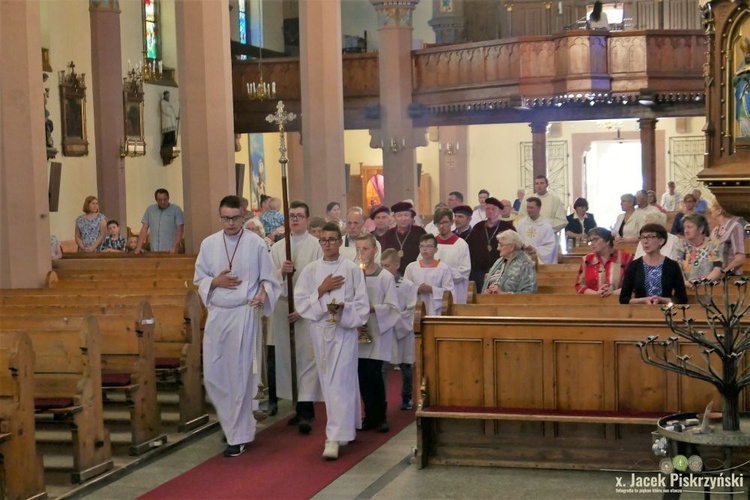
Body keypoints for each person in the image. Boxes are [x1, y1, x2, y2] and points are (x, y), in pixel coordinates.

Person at [194, 195, 280, 457]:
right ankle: (231, 423)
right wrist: (215, 282)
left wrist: (263, 294)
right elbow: (199, 279)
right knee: (215, 374)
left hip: (244, 314)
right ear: (220, 217)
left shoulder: (255, 244)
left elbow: (270, 280)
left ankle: (238, 435)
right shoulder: (208, 244)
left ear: (243, 217)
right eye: (225, 218)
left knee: (241, 374)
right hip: (219, 315)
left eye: (234, 218)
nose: (230, 223)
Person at [294, 222, 370, 460]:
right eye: (323, 240)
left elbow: (362, 305)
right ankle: (345, 427)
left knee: (340, 381)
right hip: (320, 332)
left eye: (332, 239)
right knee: (330, 383)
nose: (327, 244)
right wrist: (322, 289)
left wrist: (343, 312)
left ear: (340, 241)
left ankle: (333, 437)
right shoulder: (310, 271)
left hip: (344, 333)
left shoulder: (352, 270)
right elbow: (302, 302)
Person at [269, 201, 323, 433]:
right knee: (288, 359)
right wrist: (281, 272)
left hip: (308, 312)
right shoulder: (278, 248)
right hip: (284, 309)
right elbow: (269, 279)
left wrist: (304, 308)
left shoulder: (317, 246)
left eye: (300, 215)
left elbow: (321, 279)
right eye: (292, 216)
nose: (296, 219)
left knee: (306, 359)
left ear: (308, 219)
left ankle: (307, 410)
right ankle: (296, 407)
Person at [355, 233, 399, 433]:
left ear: (375, 250)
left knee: (375, 373)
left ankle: (380, 415)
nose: (362, 253)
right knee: (362, 374)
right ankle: (368, 415)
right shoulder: (354, 274)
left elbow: (392, 307)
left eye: (365, 249)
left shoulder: (385, 277)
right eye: (359, 249)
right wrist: (356, 318)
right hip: (358, 330)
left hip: (377, 330)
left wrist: (372, 309)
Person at [380, 249, 417, 411]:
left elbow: (411, 309)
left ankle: (407, 398)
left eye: (387, 265)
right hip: (384, 330)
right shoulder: (379, 283)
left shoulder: (408, 286)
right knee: (381, 367)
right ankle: (381, 400)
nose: (384, 269)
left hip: (402, 331)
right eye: (382, 265)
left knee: (405, 366)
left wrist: (394, 320)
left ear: (397, 265)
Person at [619, 223, 688, 305]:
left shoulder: (672, 266)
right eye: (642, 237)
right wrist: (642, 300)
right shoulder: (634, 266)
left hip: (667, 313)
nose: (645, 241)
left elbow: (682, 298)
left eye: (650, 237)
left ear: (661, 241)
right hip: (640, 313)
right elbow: (623, 298)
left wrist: (662, 300)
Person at [466, 197, 515, 290]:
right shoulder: (479, 226)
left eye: (493, 209)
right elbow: (470, 247)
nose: (490, 211)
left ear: (500, 211)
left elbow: (514, 248)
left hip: (501, 272)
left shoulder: (508, 228)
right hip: (479, 272)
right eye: (488, 208)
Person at [404, 234, 454, 315]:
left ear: (436, 249)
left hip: (436, 310)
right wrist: (418, 289)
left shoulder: (443, 268)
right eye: (422, 246)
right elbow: (405, 289)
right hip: (415, 310)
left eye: (429, 246)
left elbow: (449, 292)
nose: (424, 249)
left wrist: (432, 289)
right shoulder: (411, 267)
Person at [575, 227, 633, 296]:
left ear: (607, 241)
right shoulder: (587, 260)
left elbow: (633, 285)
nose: (592, 243)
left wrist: (612, 293)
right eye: (591, 241)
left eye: (596, 239)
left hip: (619, 301)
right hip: (592, 302)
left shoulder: (626, 258)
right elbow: (579, 286)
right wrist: (596, 294)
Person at [674, 213, 723, 288]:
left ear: (701, 229)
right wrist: (684, 282)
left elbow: (717, 269)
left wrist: (703, 283)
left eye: (689, 227)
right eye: (685, 227)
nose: (686, 230)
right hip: (686, 287)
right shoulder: (680, 245)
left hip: (709, 287)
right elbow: (677, 268)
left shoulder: (713, 244)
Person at [433, 207, 471, 304]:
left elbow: (464, 271)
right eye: (438, 223)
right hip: (433, 292)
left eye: (445, 222)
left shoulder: (461, 244)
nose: (441, 226)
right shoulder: (430, 243)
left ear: (452, 222)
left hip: (456, 291)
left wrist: (443, 274)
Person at [482, 230, 537, 294]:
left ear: (511, 247)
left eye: (501, 245)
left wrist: (502, 294)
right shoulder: (499, 261)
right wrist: (487, 291)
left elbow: (529, 293)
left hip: (511, 303)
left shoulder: (526, 264)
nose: (498, 248)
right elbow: (488, 284)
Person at [380, 201, 427, 276]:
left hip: (416, 272)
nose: (403, 219)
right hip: (394, 273)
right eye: (399, 216)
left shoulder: (420, 232)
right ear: (394, 217)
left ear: (411, 216)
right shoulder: (388, 235)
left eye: (406, 215)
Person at [135, 188, 185, 254]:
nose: (163, 202)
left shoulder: (176, 210)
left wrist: (175, 247)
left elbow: (180, 229)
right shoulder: (150, 210)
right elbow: (144, 228)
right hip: (154, 250)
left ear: (168, 198)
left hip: (170, 250)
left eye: (165, 199)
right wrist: (139, 247)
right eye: (160, 200)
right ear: (156, 200)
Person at [516, 197, 558, 265]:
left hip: (538, 263)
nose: (529, 210)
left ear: (539, 208)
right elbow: (516, 241)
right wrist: (522, 247)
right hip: (522, 262)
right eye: (528, 207)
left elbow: (550, 247)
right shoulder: (520, 224)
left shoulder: (546, 226)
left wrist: (536, 250)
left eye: (531, 208)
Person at [710, 202, 747, 275]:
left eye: (712, 206)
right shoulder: (715, 230)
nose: (710, 209)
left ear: (719, 211)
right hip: (716, 278)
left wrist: (723, 273)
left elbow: (740, 259)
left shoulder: (735, 227)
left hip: (732, 278)